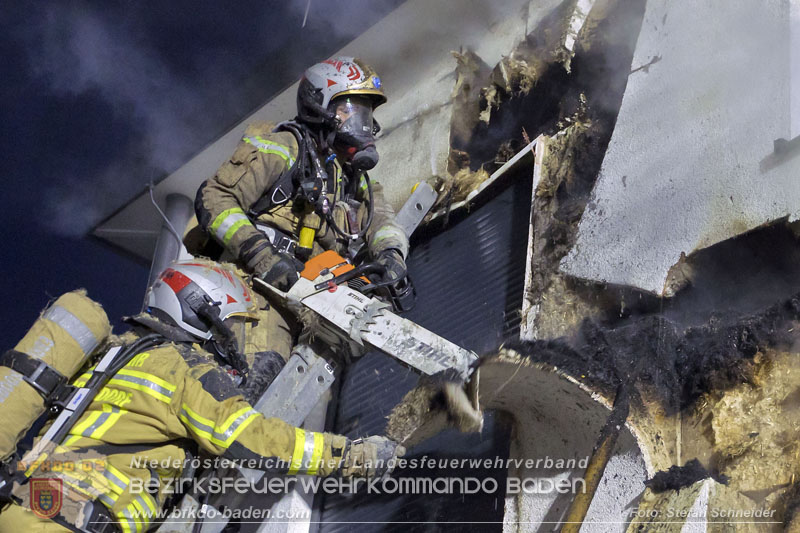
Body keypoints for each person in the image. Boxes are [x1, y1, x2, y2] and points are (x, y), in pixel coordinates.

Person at [0, 261, 402, 532]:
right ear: (201, 309)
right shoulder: (183, 366)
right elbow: (251, 439)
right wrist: (349, 456)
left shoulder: (113, 357)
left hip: (26, 509)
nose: (228, 336)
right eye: (226, 321)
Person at [190, 57, 410, 365]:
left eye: (366, 114)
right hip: (262, 292)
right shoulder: (283, 147)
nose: (362, 123)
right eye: (351, 110)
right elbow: (215, 198)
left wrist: (391, 256)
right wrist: (262, 257)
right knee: (263, 371)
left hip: (320, 306)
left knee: (297, 405)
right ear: (319, 106)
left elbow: (384, 223)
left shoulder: (355, 182)